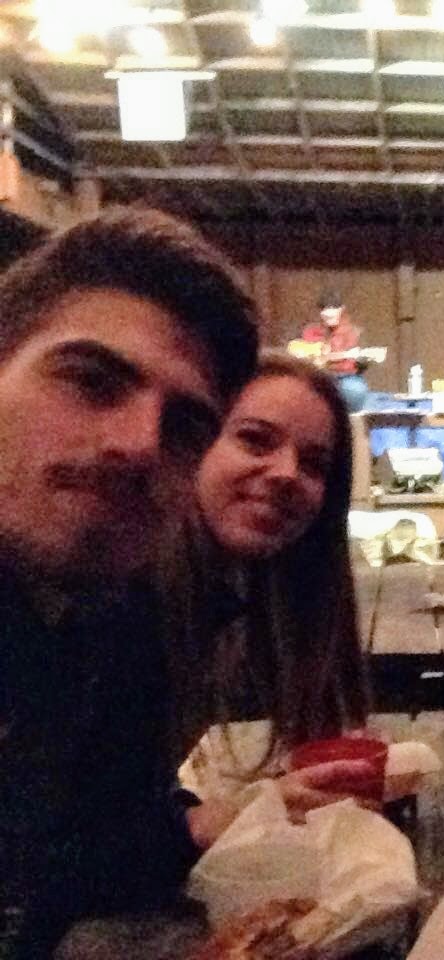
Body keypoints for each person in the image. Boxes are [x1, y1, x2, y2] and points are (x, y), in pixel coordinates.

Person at [0, 209, 259, 954]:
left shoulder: (95, 622)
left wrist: (185, 825)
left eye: (184, 426)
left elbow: (68, 866)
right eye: (91, 381)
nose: (142, 444)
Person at [165, 352, 374, 839]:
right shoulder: (116, 595)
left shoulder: (226, 600)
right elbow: (47, 842)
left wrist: (193, 814)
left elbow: (123, 796)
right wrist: (229, 816)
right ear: (193, 446)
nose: (287, 473)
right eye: (255, 439)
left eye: (314, 464)